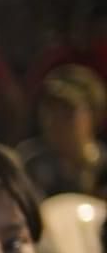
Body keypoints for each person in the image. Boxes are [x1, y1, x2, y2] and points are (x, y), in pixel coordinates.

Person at [19, 64, 107, 199]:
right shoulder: (29, 164)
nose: (56, 122)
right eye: (50, 111)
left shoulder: (102, 166)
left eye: (68, 113)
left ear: (95, 115)